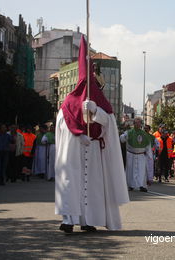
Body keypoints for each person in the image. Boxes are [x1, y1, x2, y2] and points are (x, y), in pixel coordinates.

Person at [55, 36, 129, 233]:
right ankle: (69, 220)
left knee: (93, 187)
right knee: (72, 184)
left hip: (95, 150)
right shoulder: (68, 104)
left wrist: (97, 112)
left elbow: (110, 125)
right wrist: (78, 135)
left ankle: (88, 220)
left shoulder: (100, 101)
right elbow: (62, 125)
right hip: (73, 151)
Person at [120, 117, 152, 192]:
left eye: (139, 123)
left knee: (141, 171)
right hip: (131, 154)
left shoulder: (144, 134)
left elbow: (148, 145)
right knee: (130, 171)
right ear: (133, 124)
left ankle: (142, 185)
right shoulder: (129, 132)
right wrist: (124, 136)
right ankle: (130, 185)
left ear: (141, 124)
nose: (137, 124)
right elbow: (121, 139)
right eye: (136, 123)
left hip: (141, 155)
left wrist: (149, 155)